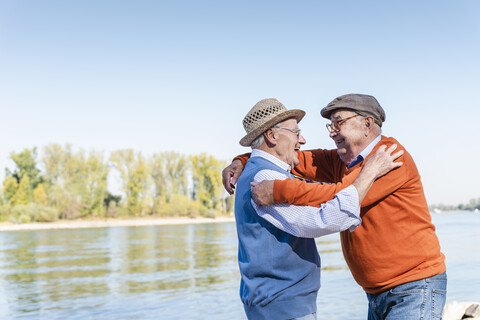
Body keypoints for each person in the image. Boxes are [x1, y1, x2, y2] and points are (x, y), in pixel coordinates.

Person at [224, 94, 447, 320]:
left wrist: (278, 191)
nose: (331, 131)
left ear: (367, 124)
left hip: (414, 286)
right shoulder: (341, 160)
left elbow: (341, 196)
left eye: (339, 122)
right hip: (378, 292)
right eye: (330, 125)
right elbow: (282, 154)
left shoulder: (387, 157)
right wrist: (244, 159)